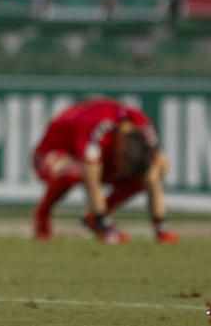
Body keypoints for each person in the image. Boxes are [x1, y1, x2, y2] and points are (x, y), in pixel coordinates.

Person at [32, 98, 179, 244]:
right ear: (120, 151)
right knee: (73, 172)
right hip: (53, 152)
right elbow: (91, 180)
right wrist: (104, 225)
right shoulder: (98, 128)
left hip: (102, 158)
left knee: (151, 172)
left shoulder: (144, 130)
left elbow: (153, 173)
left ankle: (93, 218)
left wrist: (161, 228)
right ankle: (42, 214)